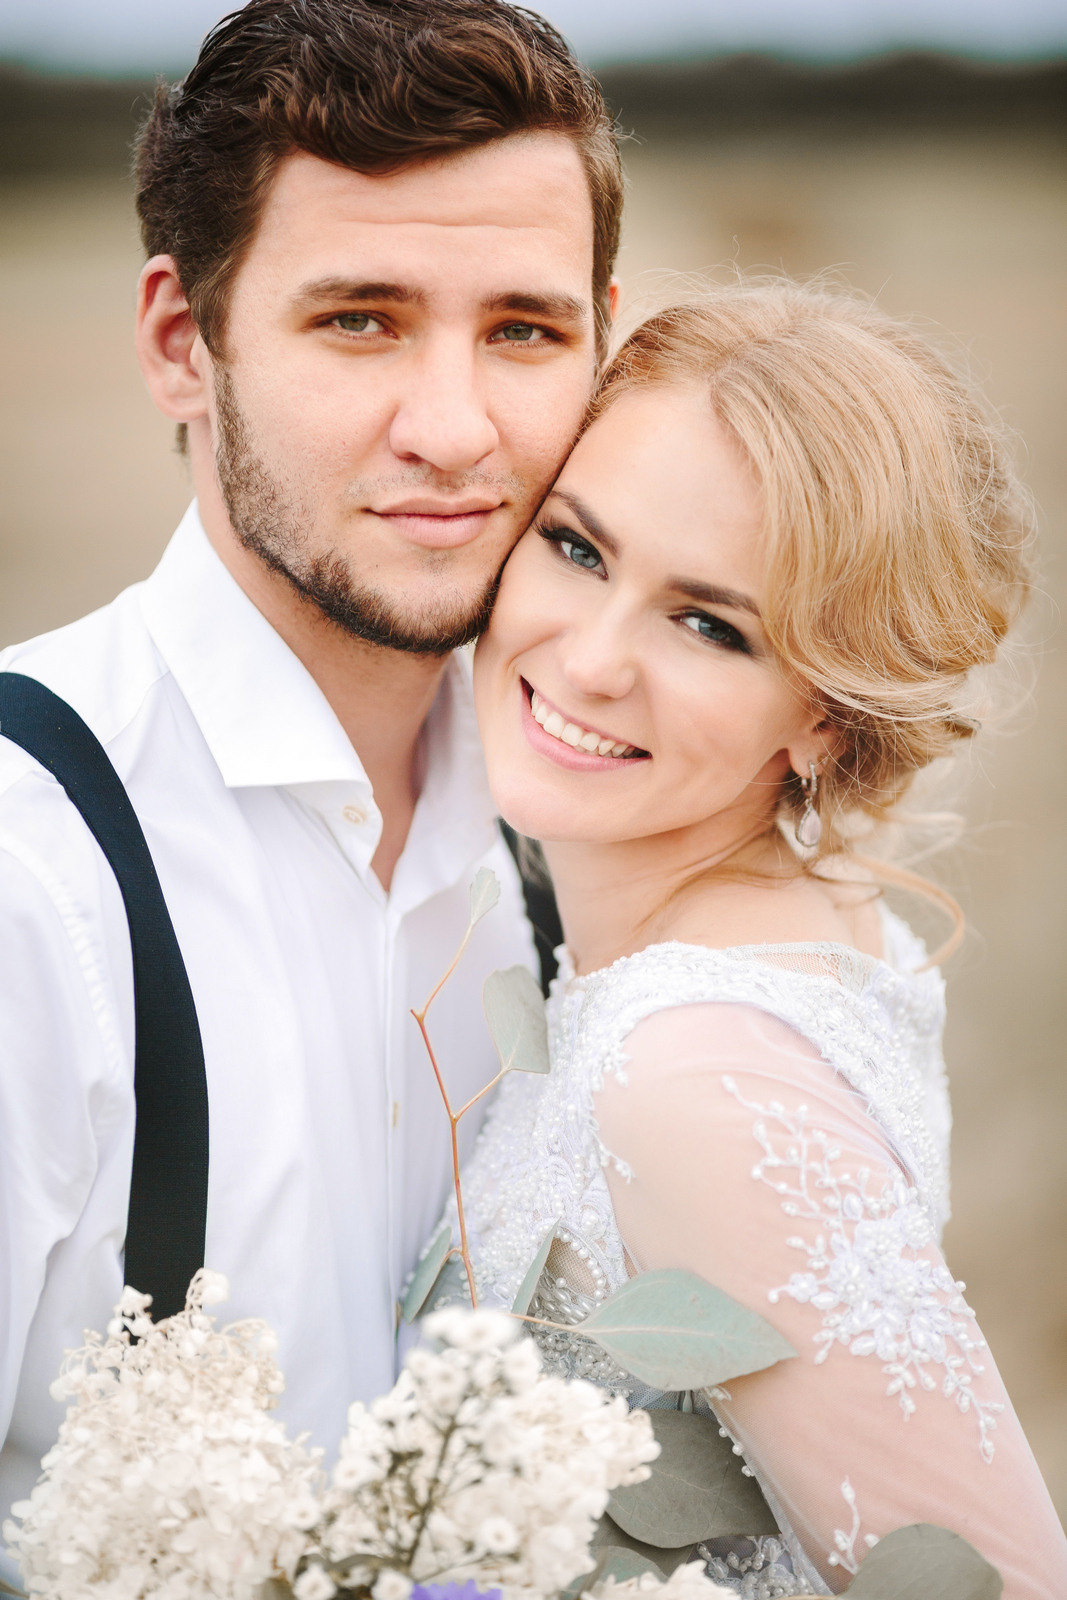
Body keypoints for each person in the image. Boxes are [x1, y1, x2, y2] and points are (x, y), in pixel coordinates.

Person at [0, 0, 621, 1576]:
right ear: (176, 342)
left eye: (525, 331)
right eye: (359, 319)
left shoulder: (591, 829)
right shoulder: (30, 872)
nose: (455, 428)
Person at [448, 281, 1067, 1596]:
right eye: (576, 547)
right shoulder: (800, 927)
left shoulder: (690, 1075)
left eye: (709, 624)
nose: (593, 658)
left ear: (828, 720)